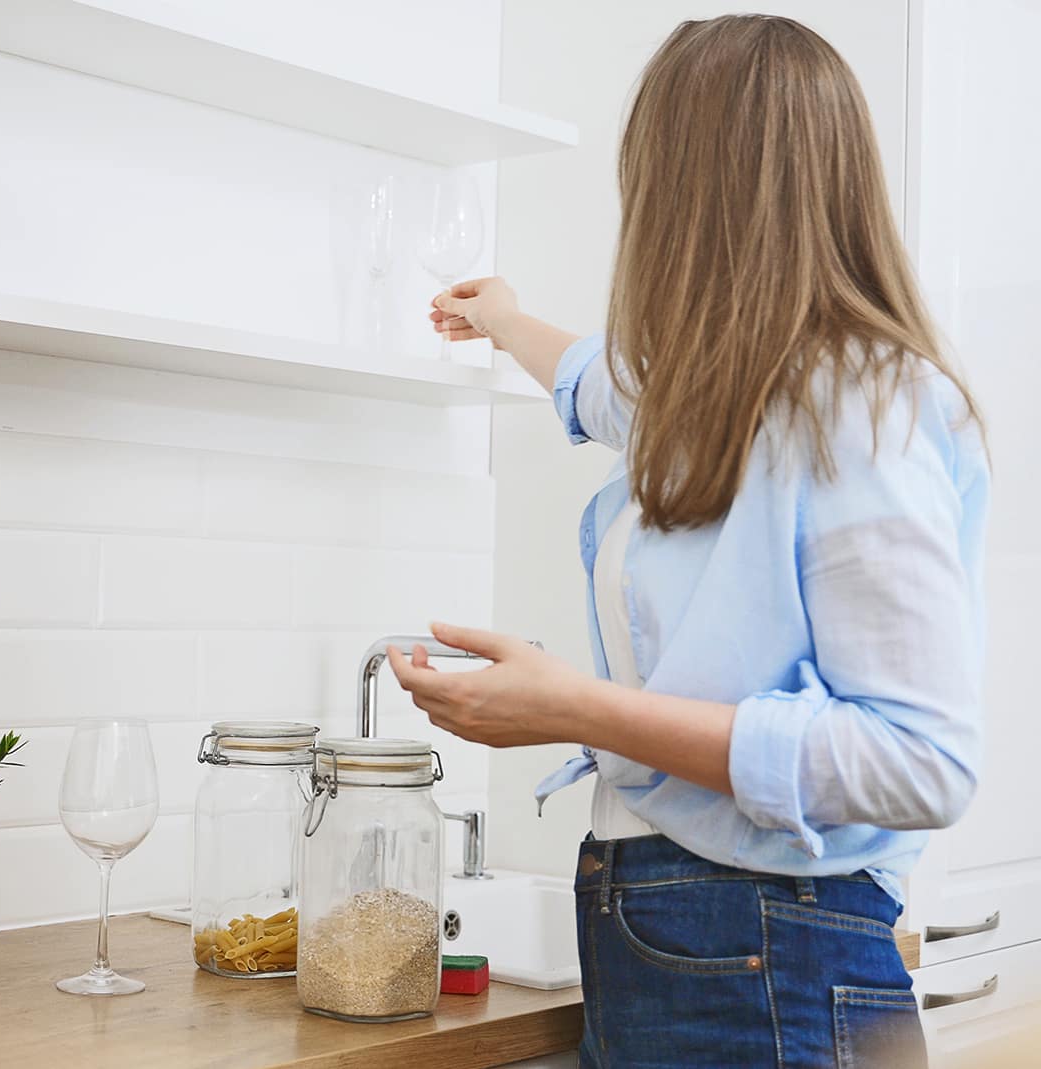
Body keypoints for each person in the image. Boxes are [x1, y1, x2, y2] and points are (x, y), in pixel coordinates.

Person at [388, 14, 987, 1069]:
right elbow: (610, 385)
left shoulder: (858, 407)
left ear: (686, 190)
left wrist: (572, 707)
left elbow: (920, 760)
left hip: (763, 947)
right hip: (700, 946)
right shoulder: (741, 395)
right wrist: (505, 319)